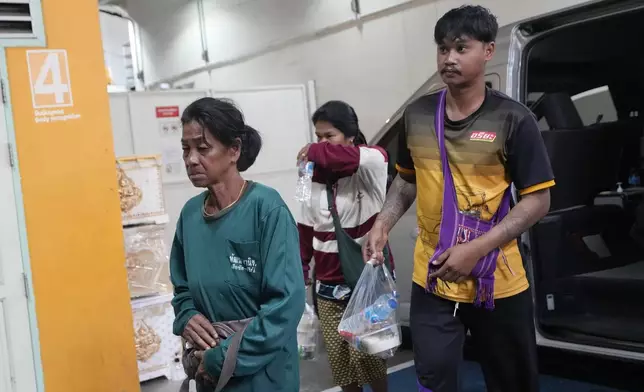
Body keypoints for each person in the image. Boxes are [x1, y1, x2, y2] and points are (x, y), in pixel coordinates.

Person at [364, 6, 554, 392]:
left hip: (497, 280)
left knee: (512, 382)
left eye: (461, 48)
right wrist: (382, 223)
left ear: (487, 51)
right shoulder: (417, 115)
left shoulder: (513, 119)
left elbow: (538, 200)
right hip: (432, 277)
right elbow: (405, 180)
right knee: (433, 377)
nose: (449, 58)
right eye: (442, 48)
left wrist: (476, 249)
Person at [170, 97, 305, 392]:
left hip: (263, 377)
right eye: (186, 149)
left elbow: (284, 306)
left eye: (202, 148)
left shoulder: (266, 210)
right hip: (209, 375)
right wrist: (187, 315)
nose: (191, 159)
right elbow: (181, 288)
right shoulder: (190, 216)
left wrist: (221, 358)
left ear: (234, 150)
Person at [297, 101, 393, 392]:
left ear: (351, 136)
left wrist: (312, 151)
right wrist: (302, 268)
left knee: (369, 356)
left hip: (368, 280)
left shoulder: (373, 162)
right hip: (327, 285)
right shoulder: (307, 175)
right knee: (341, 364)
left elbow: (344, 159)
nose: (322, 143)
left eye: (330, 136)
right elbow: (304, 222)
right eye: (318, 137)